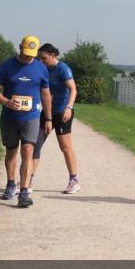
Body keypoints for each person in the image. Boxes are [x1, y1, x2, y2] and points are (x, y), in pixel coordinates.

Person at [0, 35, 51, 208]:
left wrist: (49, 118)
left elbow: (46, 94)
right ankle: (10, 183)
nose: (28, 57)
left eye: (32, 54)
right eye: (25, 53)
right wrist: (6, 102)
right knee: (11, 152)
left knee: (28, 152)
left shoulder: (41, 69)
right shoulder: (7, 66)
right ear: (20, 47)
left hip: (31, 117)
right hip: (10, 117)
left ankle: (23, 192)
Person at [30, 43, 81, 194]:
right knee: (34, 144)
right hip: (47, 112)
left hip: (61, 112)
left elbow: (73, 89)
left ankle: (74, 180)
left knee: (65, 147)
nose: (42, 61)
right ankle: (28, 179)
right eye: (40, 58)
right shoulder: (44, 69)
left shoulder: (63, 69)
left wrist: (69, 108)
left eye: (44, 58)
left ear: (53, 55)